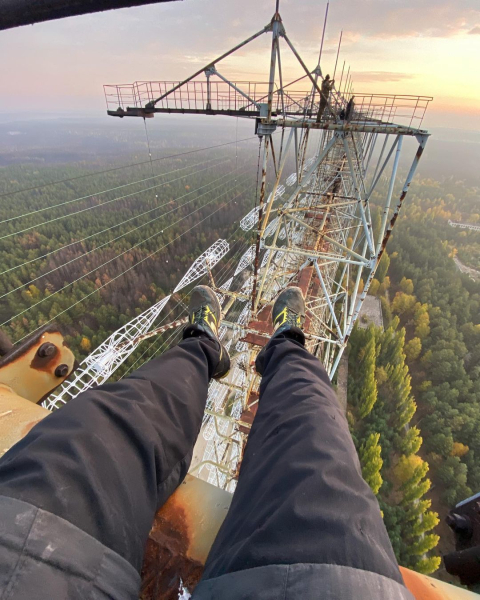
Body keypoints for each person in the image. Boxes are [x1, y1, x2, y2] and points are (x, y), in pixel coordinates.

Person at [0, 285, 413, 599]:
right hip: (340, 582)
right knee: (316, 436)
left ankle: (202, 344)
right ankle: (285, 343)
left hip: (25, 543)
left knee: (94, 430)